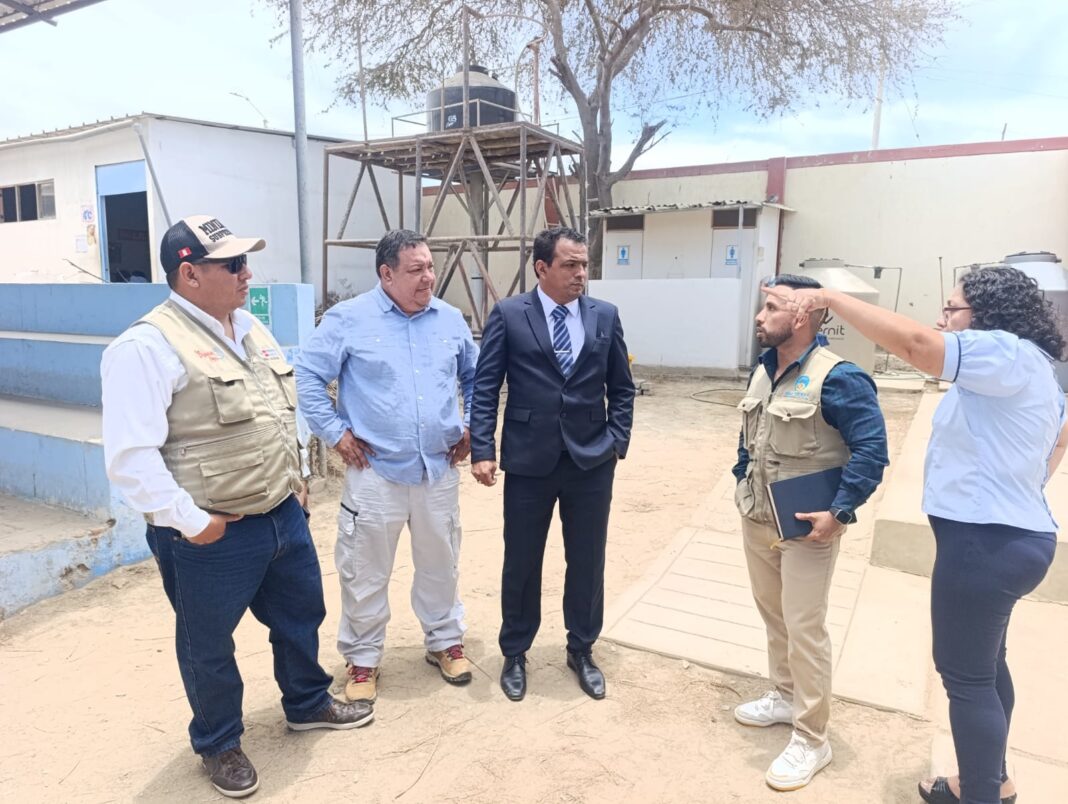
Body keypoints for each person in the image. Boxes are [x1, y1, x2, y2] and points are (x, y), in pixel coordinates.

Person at [764, 266, 1067, 804]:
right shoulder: (1036, 366)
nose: (942, 319)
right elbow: (1058, 441)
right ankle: (991, 779)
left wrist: (828, 296)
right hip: (1011, 535)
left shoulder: (1005, 352)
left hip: (985, 544)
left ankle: (978, 794)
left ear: (988, 315)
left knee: (966, 679)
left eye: (952, 310)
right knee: (986, 667)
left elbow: (917, 345)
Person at [101, 215, 373, 800]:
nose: (247, 273)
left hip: (281, 513)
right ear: (189, 272)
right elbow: (129, 457)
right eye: (233, 264)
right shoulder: (146, 346)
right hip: (212, 535)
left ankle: (305, 702)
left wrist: (298, 482)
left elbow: (278, 409)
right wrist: (194, 524)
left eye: (245, 261)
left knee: (301, 617)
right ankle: (219, 742)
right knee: (208, 644)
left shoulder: (249, 327)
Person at [295, 229, 478, 704]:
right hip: (375, 472)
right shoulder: (348, 319)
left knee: (442, 562)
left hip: (437, 470)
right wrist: (336, 433)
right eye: (416, 270)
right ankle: (362, 660)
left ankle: (444, 641)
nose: (428, 278)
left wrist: (472, 424)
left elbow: (477, 376)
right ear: (387, 273)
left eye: (431, 267)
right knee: (364, 570)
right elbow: (309, 375)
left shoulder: (450, 320)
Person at [731, 274, 888, 792]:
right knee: (773, 615)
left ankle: (812, 736)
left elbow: (871, 452)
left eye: (771, 307)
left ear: (802, 317)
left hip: (807, 531)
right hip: (759, 520)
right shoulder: (763, 369)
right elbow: (748, 439)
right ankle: (783, 694)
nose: (760, 316)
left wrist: (839, 512)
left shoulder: (840, 377)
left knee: (805, 628)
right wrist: (741, 482)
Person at [470, 225, 635, 702]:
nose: (581, 274)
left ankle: (581, 648)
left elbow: (621, 388)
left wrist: (615, 442)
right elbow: (485, 387)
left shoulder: (605, 316)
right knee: (522, 560)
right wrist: (484, 448)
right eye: (570, 265)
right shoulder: (509, 314)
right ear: (542, 268)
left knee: (587, 559)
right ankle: (515, 652)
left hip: (590, 461)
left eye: (584, 265)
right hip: (528, 459)